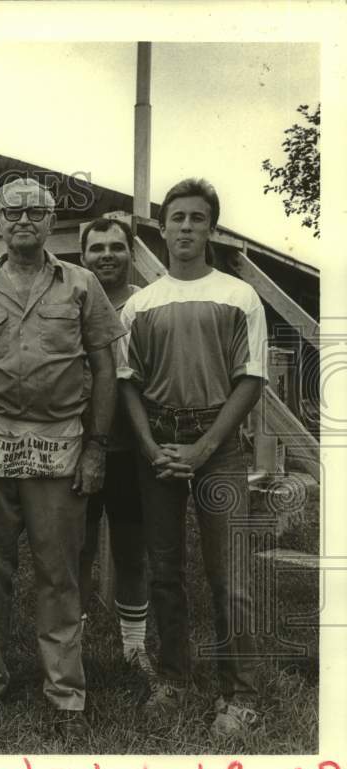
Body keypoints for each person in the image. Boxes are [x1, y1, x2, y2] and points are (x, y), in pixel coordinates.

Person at [0, 178, 124, 735]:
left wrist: (96, 447)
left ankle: (65, 690)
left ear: (52, 222)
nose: (24, 219)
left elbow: (104, 369)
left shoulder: (82, 284)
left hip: (60, 442)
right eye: (13, 211)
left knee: (58, 571)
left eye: (36, 212)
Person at [117, 178, 266, 737]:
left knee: (231, 576)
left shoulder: (238, 295)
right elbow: (128, 383)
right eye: (175, 218)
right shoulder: (141, 303)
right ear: (162, 228)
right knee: (164, 571)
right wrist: (152, 447)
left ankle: (242, 695)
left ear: (211, 228)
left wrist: (204, 447)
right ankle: (175, 677)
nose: (184, 227)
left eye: (196, 219)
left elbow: (251, 380)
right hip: (157, 444)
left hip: (218, 444)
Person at [76, 218, 151, 674]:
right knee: (76, 549)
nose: (106, 255)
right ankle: (73, 644)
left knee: (131, 547)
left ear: (131, 253)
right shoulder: (71, 297)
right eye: (96, 247)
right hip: (76, 444)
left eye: (116, 247)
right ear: (82, 255)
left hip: (132, 444)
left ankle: (134, 647)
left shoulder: (147, 302)